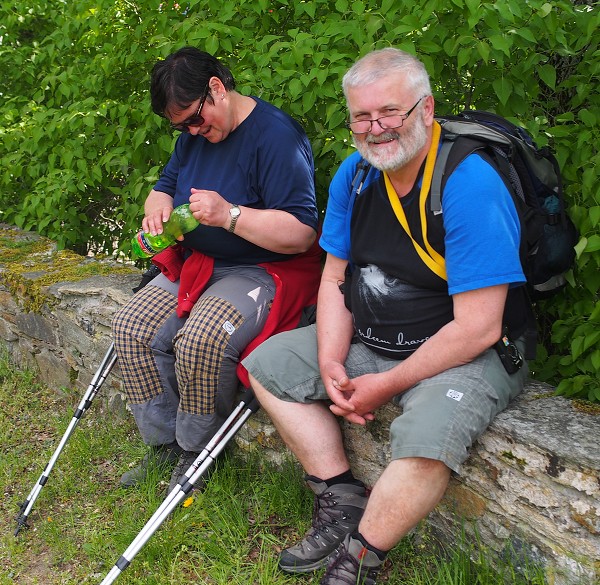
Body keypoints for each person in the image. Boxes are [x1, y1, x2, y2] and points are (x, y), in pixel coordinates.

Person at [242, 47, 531, 585]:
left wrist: (387, 384)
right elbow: (334, 277)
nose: (376, 129)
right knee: (268, 364)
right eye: (361, 116)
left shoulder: (468, 183)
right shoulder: (354, 176)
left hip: (464, 351)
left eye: (389, 112)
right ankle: (340, 496)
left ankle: (361, 556)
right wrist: (330, 360)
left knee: (426, 439)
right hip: (372, 334)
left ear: (426, 109)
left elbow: (479, 327)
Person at [112, 47, 321, 493]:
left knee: (203, 339)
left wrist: (230, 215)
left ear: (217, 88)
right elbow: (163, 187)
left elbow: (301, 233)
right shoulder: (192, 136)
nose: (190, 131)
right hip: (201, 265)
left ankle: (197, 453)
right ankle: (163, 444)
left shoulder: (276, 137)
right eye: (181, 126)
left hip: (265, 269)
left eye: (194, 119)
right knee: (131, 326)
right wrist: (157, 209)